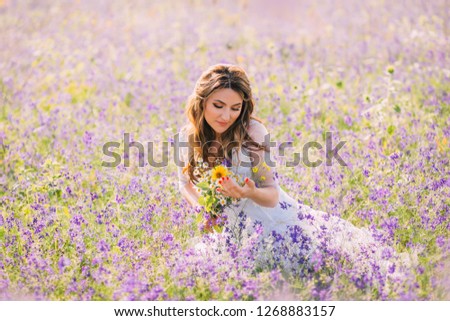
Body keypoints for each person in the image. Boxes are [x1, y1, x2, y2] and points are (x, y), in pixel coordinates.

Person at [176, 64, 413, 293]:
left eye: (235, 108)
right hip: (231, 232)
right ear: (202, 100)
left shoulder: (252, 133)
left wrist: (249, 192)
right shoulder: (188, 136)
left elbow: (271, 195)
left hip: (272, 223)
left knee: (321, 273)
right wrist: (204, 211)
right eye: (218, 105)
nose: (226, 116)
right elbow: (185, 183)